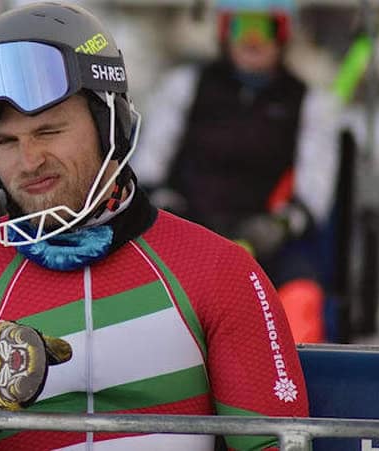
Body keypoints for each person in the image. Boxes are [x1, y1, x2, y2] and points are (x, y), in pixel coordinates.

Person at [0, 2, 308, 450]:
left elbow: (277, 444)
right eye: (5, 141)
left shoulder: (217, 269)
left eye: (49, 131)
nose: (29, 161)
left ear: (110, 124)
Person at [132, 0, 341, 343]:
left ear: (283, 34)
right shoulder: (185, 87)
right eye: (240, 27)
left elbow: (314, 193)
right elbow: (148, 169)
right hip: (190, 232)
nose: (252, 40)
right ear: (224, 31)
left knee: (301, 293)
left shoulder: (309, 103)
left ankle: (297, 368)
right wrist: (173, 212)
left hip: (267, 244)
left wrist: (277, 226)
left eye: (264, 28)